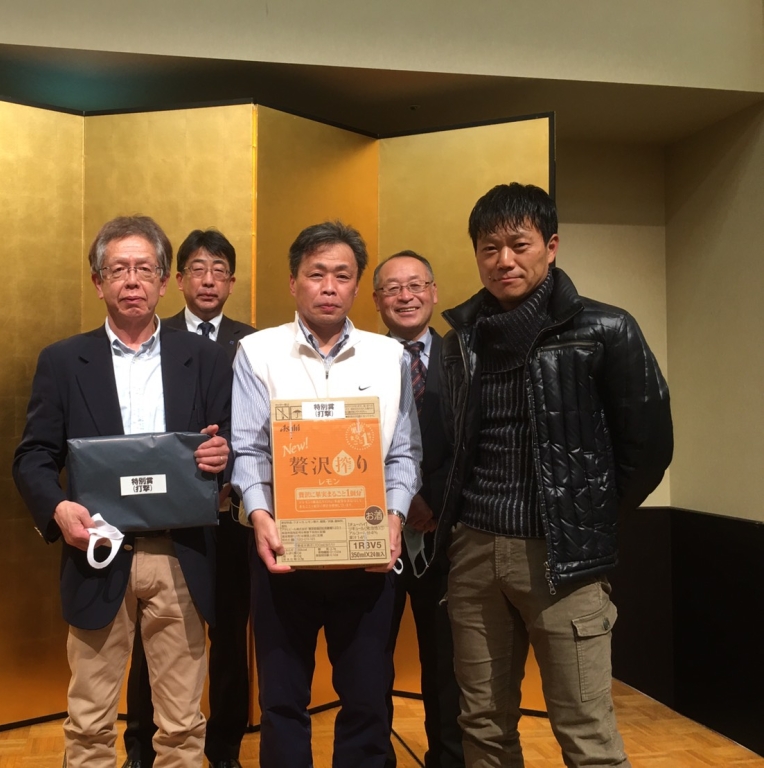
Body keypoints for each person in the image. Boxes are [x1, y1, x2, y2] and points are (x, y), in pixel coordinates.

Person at [436, 183, 673, 768]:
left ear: (552, 246)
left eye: (519, 245)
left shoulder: (607, 328)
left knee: (586, 732)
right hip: (474, 552)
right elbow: (451, 444)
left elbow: (648, 447)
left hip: (563, 558)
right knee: (482, 725)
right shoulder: (459, 340)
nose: (504, 260)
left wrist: (586, 520)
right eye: (489, 248)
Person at [12, 215, 233, 768]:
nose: (132, 280)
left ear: (163, 281)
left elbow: (231, 443)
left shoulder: (205, 358)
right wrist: (57, 507)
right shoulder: (63, 361)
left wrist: (222, 458)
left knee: (182, 724)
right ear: (98, 282)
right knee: (89, 721)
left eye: (144, 268)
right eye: (118, 269)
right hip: (97, 552)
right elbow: (33, 456)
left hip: (180, 556)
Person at [231, 221, 421, 768]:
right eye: (317, 274)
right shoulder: (258, 352)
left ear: (358, 285)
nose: (329, 286)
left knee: (367, 699)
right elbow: (248, 448)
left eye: (342, 275)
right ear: (293, 282)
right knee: (282, 701)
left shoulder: (389, 356)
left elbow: (404, 453)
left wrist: (394, 517)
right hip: (283, 554)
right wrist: (259, 515)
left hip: (366, 558)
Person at [124, 228, 256, 768]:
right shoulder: (151, 334)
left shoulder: (253, 342)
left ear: (232, 281)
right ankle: (141, 744)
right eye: (197, 269)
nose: (208, 280)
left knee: (229, 632)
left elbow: (257, 429)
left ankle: (224, 746)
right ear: (175, 280)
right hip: (163, 519)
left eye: (219, 270)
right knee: (150, 636)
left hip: (230, 517)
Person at [372, 251, 463, 768]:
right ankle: (374, 757)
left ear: (433, 292)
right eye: (392, 288)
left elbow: (476, 443)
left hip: (447, 538)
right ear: (376, 300)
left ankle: (447, 759)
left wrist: (431, 499)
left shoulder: (464, 358)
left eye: (415, 285)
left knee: (447, 665)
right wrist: (403, 501)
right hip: (375, 534)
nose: (405, 296)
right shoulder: (361, 360)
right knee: (370, 663)